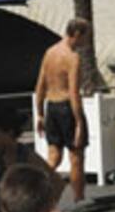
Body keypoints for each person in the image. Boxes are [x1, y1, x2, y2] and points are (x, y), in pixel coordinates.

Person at [35, 18, 88, 202]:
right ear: (77, 34)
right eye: (86, 37)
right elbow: (73, 92)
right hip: (67, 108)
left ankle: (36, 189)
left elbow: (40, 86)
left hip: (51, 107)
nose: (86, 42)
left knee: (54, 157)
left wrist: (40, 114)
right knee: (76, 158)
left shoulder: (50, 52)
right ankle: (79, 199)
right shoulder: (72, 57)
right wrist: (79, 123)